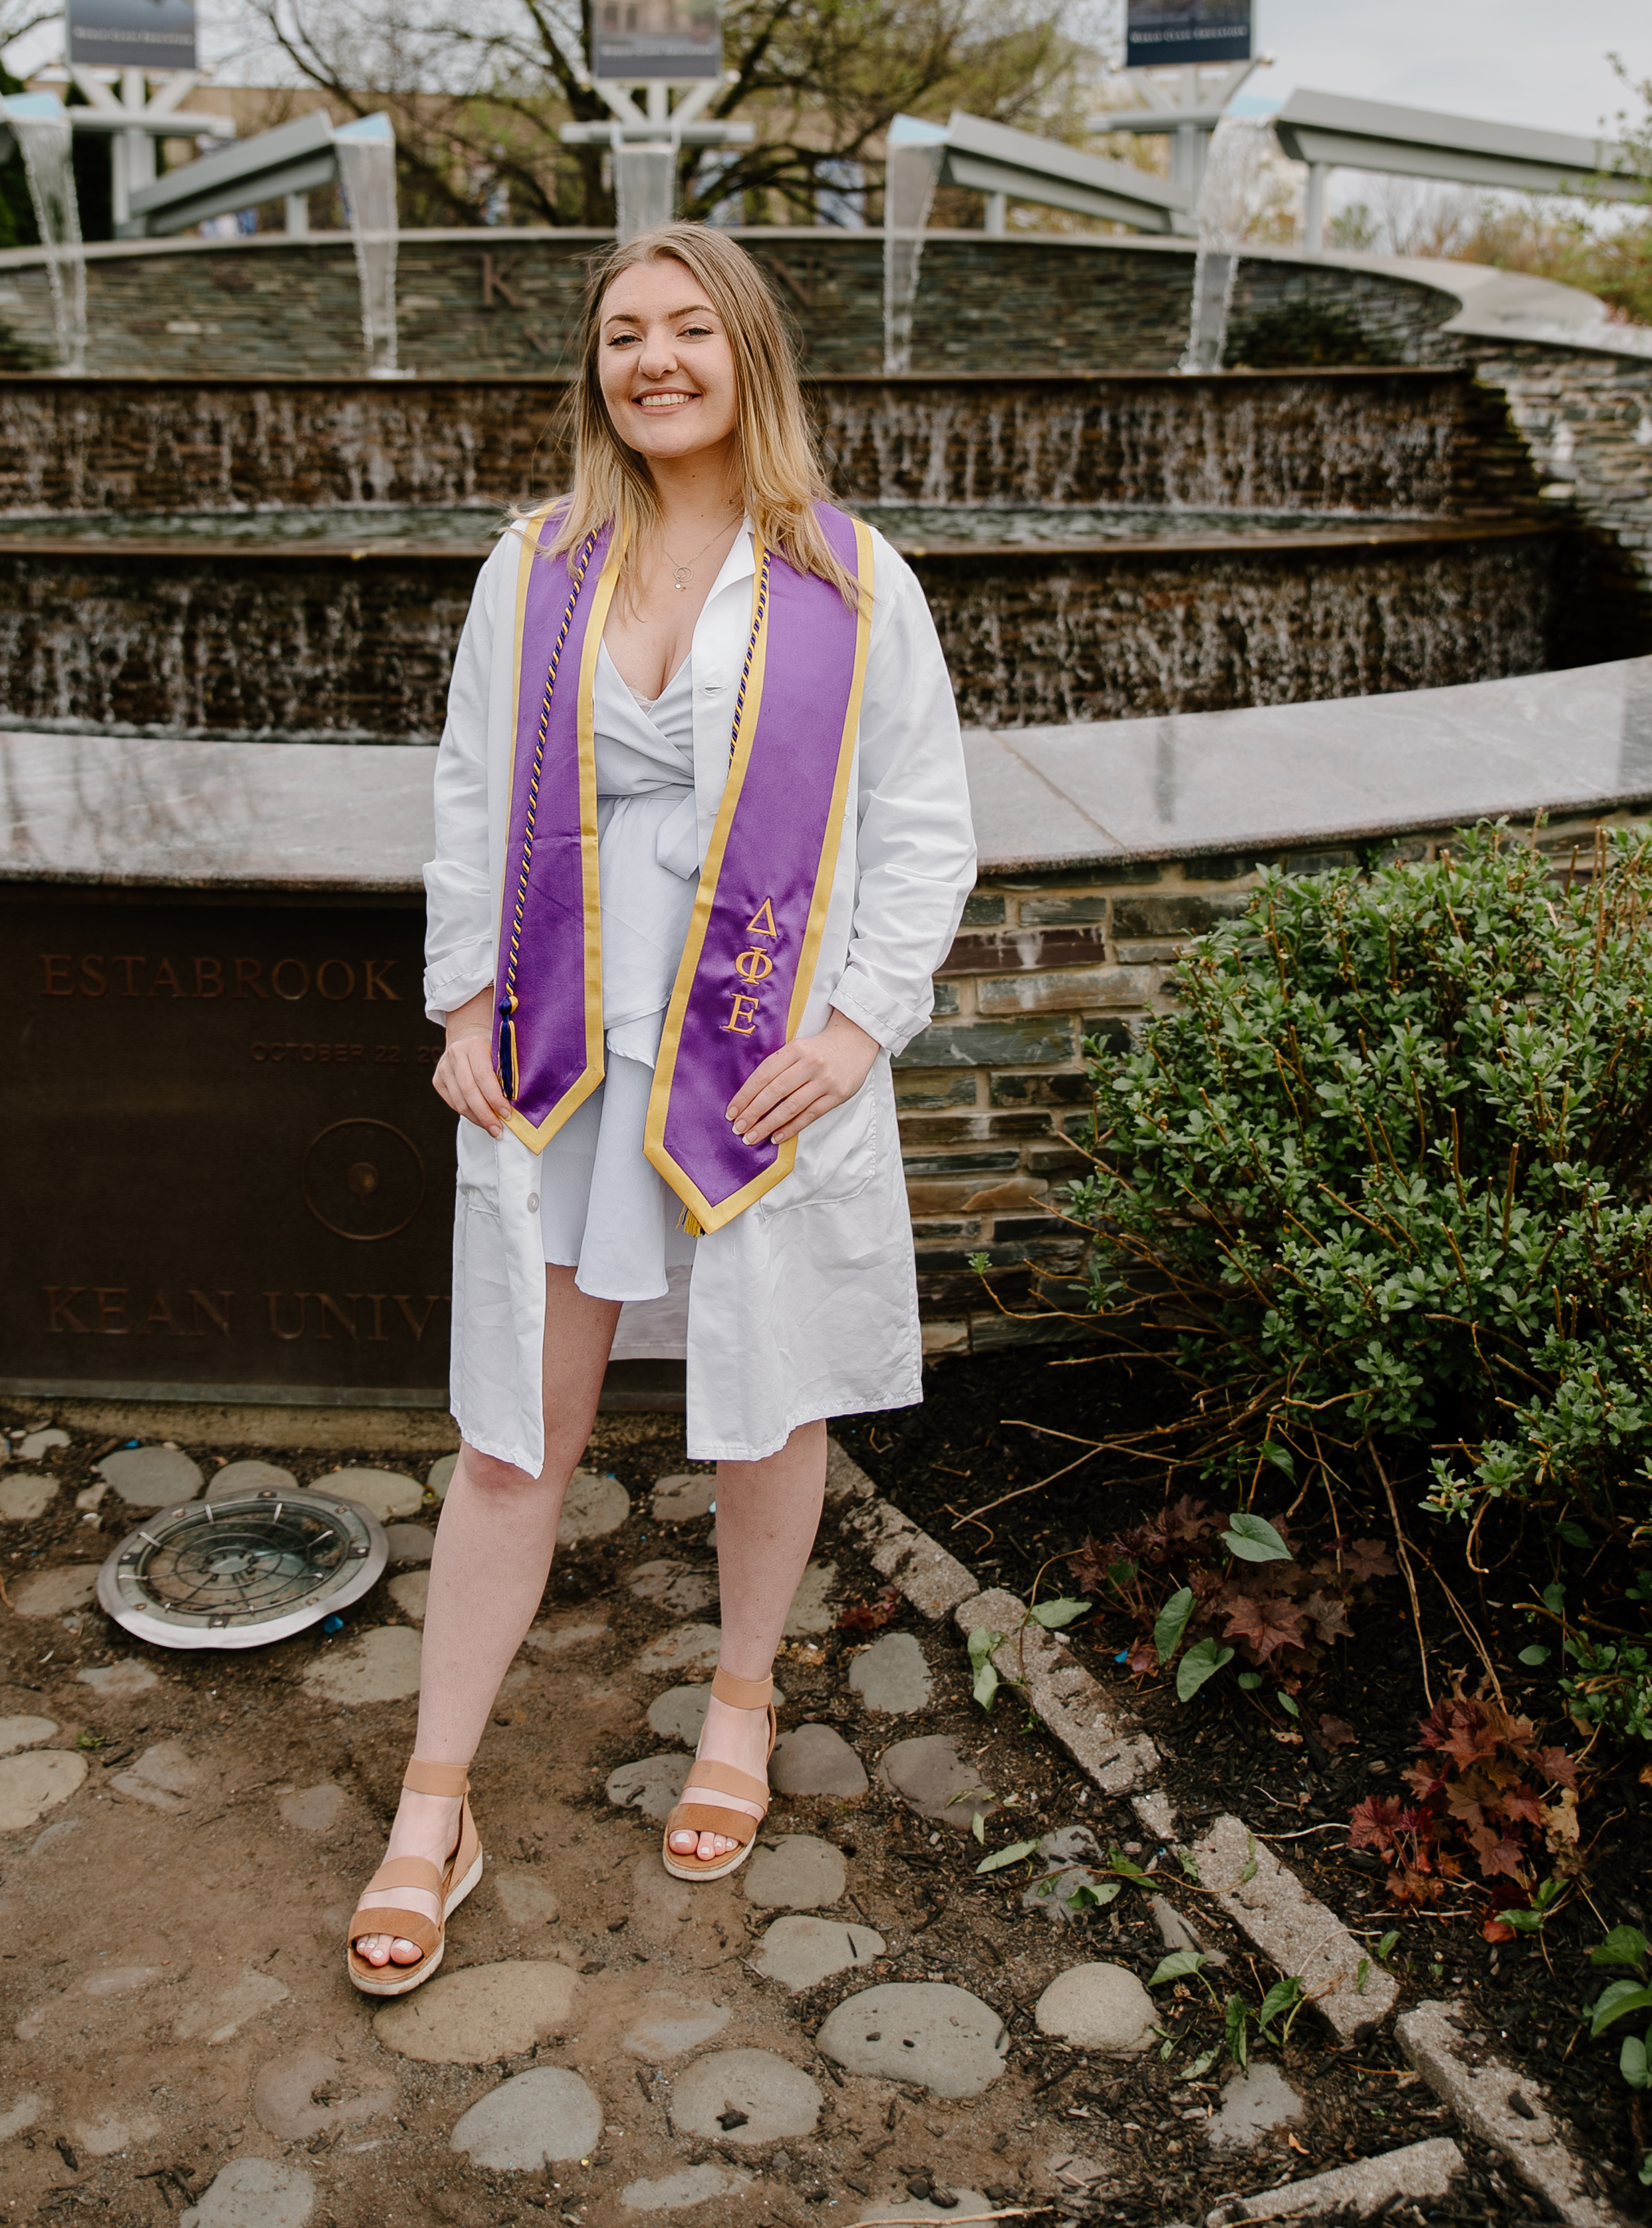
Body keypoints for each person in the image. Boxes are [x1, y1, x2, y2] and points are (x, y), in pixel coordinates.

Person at [346, 223, 976, 1995]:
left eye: (690, 329)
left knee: (762, 1411)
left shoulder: (853, 580)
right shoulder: (536, 564)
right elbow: (472, 789)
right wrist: (460, 995)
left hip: (759, 1052)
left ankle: (741, 1706)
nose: (655, 361)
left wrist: (859, 1030)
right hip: (566, 1051)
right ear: (597, 373)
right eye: (624, 335)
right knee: (510, 1438)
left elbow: (922, 825)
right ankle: (434, 1798)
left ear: (748, 354)